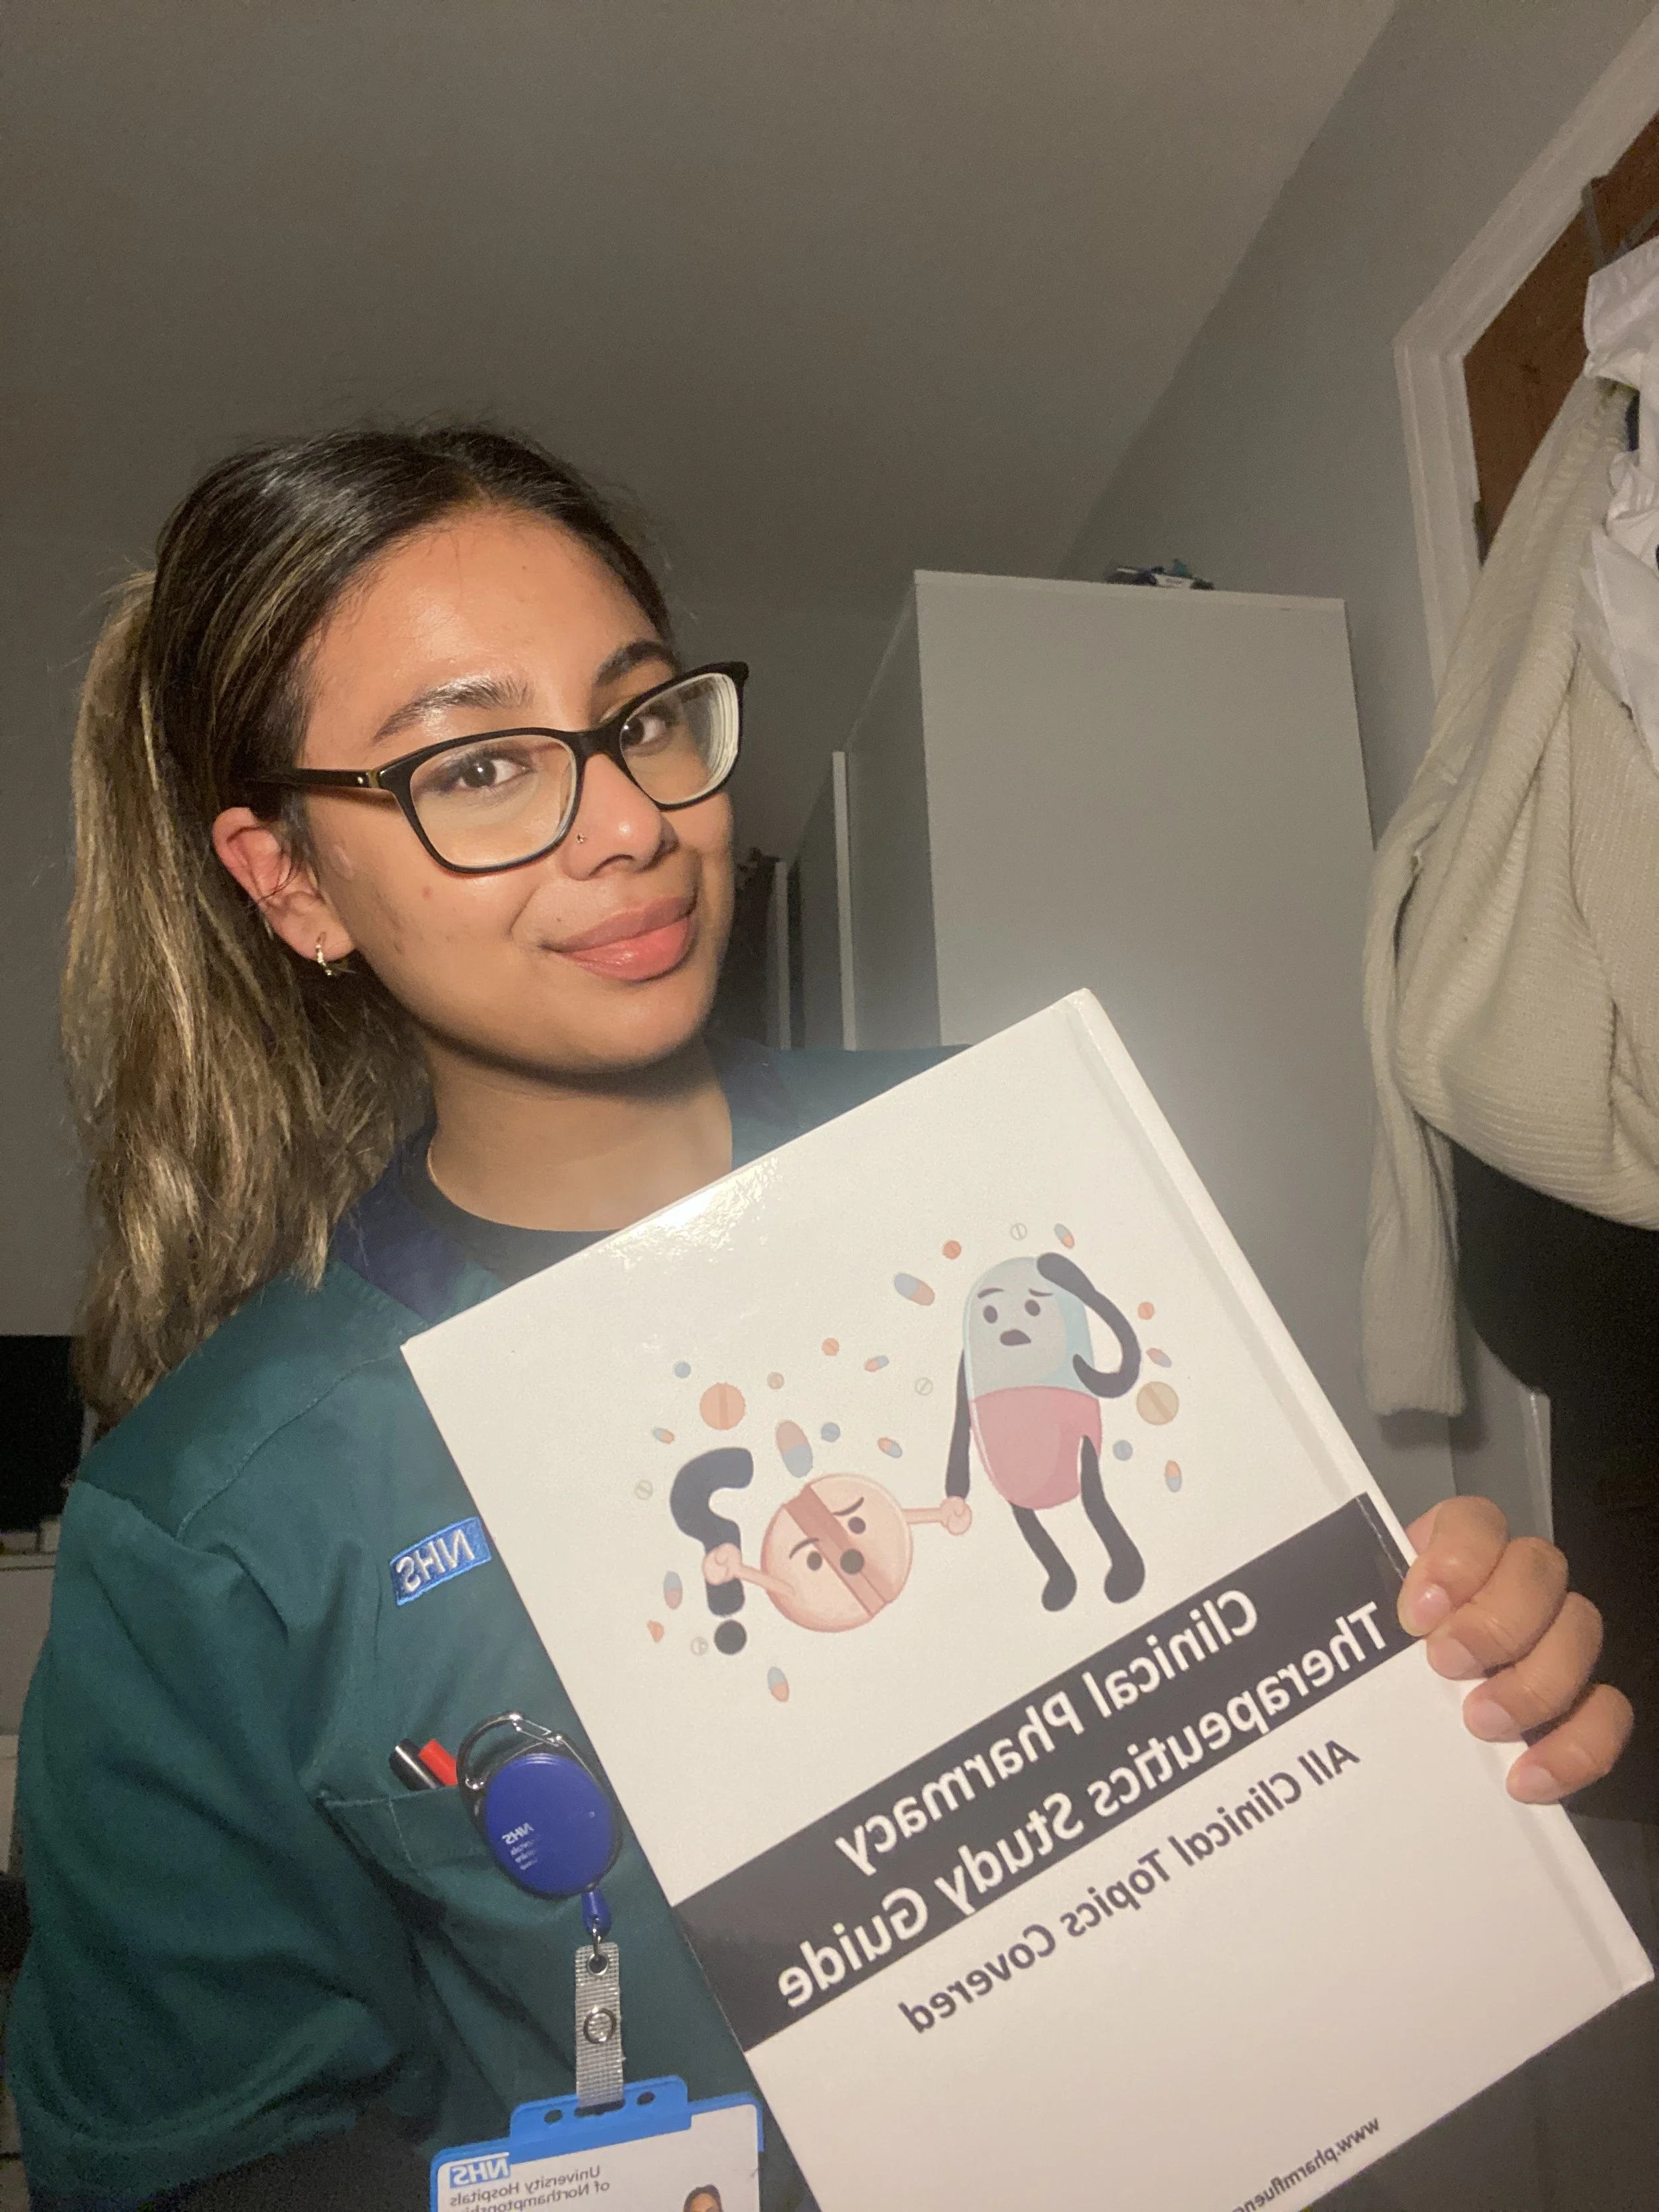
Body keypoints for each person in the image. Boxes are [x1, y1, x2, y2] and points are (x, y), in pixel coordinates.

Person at [13, 427, 1633, 2212]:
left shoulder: (1016, 1170)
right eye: (476, 766)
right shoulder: (217, 1522)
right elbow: (199, 2161)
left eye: (638, 718)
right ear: (292, 882)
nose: (631, 821)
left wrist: (1453, 1659)